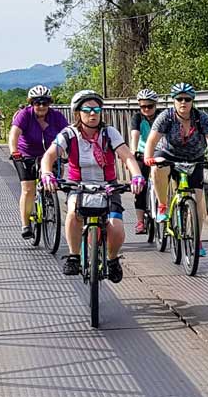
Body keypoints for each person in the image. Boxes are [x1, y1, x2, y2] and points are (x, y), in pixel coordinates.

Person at [40, 90, 145, 282]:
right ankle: (74, 256)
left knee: (116, 228)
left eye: (96, 109)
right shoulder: (69, 134)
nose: (92, 114)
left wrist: (137, 175)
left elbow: (127, 156)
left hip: (108, 187)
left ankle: (112, 260)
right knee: (73, 214)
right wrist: (47, 173)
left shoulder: (109, 133)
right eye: (87, 110)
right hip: (77, 185)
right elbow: (49, 156)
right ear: (77, 113)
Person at [142, 82, 208, 254]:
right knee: (158, 168)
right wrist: (148, 157)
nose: (183, 102)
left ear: (192, 101)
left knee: (198, 201)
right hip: (169, 153)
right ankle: (162, 205)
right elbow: (152, 140)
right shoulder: (166, 117)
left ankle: (197, 241)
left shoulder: (201, 117)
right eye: (179, 99)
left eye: (187, 99)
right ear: (173, 101)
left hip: (194, 157)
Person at [8, 85, 68, 238]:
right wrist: (14, 152)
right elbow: (14, 134)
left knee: (52, 183)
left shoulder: (56, 116)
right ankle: (26, 224)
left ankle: (50, 202)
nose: (41, 106)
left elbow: (69, 134)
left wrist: (70, 153)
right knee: (28, 189)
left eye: (45, 103)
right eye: (37, 103)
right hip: (25, 154)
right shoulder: (24, 115)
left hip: (49, 153)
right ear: (31, 103)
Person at [128, 89, 160, 233]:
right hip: (142, 153)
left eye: (149, 106)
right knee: (140, 185)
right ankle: (140, 221)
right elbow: (134, 134)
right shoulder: (138, 118)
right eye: (143, 106)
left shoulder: (162, 117)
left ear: (155, 105)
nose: (146, 109)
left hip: (159, 152)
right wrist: (133, 151)